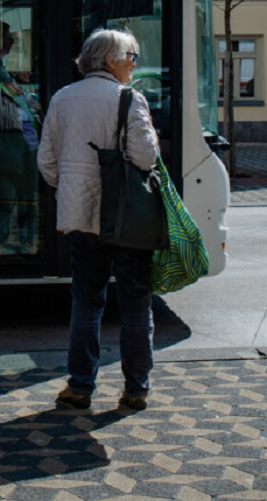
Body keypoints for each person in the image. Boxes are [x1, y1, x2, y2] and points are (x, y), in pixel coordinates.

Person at [37, 28, 159, 411]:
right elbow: (146, 159)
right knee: (136, 302)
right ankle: (135, 389)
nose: (134, 63)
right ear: (110, 60)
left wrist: (71, 187)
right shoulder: (129, 99)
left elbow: (46, 163)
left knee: (86, 302)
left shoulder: (62, 98)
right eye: (130, 56)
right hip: (127, 218)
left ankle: (79, 387)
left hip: (80, 218)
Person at [0, 21, 40, 258]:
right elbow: (16, 95)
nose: (13, 41)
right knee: (14, 194)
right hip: (13, 140)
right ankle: (15, 240)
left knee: (17, 194)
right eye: (7, 36)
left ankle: (5, 241)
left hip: (19, 140)